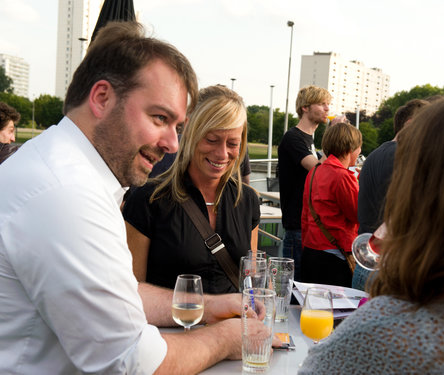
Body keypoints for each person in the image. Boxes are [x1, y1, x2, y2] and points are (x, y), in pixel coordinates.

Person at [0, 22, 268, 374]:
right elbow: (130, 362)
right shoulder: (66, 194)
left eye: (178, 127)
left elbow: (120, 296)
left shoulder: (63, 170)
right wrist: (226, 338)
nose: (173, 144)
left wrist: (209, 305)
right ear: (101, 98)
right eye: (160, 118)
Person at [298, 94, 444, 374]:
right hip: (337, 253)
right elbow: (352, 211)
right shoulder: (343, 176)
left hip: (322, 251)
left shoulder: (319, 171)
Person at [123, 85, 260, 294]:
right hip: (171, 326)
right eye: (211, 140)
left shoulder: (247, 200)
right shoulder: (147, 200)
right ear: (189, 133)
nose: (222, 154)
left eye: (233, 143)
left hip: (233, 326)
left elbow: (250, 283)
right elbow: (132, 293)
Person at [353, 98, 428, 290]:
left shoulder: (374, 155)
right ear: (410, 125)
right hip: (387, 264)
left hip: (366, 260)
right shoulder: (404, 156)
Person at [277, 85, 333, 279]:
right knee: (293, 288)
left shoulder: (309, 140)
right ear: (305, 108)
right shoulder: (293, 138)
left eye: (328, 104)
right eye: (322, 104)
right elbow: (318, 169)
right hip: (296, 227)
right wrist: (334, 140)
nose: (327, 108)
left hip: (306, 226)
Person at [301, 122, 362, 287]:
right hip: (335, 255)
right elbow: (357, 214)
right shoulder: (343, 176)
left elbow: (306, 215)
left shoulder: (314, 172)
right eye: (359, 148)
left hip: (311, 250)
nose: (360, 152)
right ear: (351, 149)